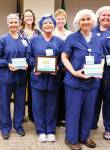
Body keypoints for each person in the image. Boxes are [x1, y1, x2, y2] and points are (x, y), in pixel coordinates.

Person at [61, 9, 104, 150]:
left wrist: (101, 68)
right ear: (78, 22)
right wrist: (73, 72)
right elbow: (64, 57)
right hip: (74, 83)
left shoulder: (98, 38)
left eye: (88, 19)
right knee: (74, 111)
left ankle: (84, 137)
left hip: (92, 83)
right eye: (82, 20)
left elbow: (102, 57)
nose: (85, 22)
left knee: (88, 111)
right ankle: (71, 139)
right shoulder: (72, 38)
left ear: (93, 21)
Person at [26, 14, 64, 142]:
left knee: (52, 105)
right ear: (41, 26)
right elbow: (29, 56)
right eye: (45, 23)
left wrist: (58, 67)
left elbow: (64, 58)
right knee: (38, 105)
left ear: (54, 26)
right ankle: (41, 130)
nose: (48, 25)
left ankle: (50, 130)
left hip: (53, 79)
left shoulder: (59, 41)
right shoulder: (34, 41)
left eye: (50, 23)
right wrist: (34, 66)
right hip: (38, 78)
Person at [0, 14, 28, 139]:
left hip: (21, 77)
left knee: (20, 103)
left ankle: (18, 126)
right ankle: (5, 128)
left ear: (19, 23)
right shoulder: (2, 39)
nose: (13, 25)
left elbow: (28, 55)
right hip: (5, 78)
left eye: (15, 22)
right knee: (4, 103)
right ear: (8, 24)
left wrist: (28, 63)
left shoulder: (24, 40)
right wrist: (7, 64)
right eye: (11, 22)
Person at [20, 9, 41, 122]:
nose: (29, 18)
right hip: (22, 66)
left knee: (33, 91)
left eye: (30, 16)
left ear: (33, 18)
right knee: (21, 91)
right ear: (23, 19)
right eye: (26, 16)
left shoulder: (38, 33)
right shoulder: (19, 32)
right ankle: (21, 114)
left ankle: (32, 114)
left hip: (34, 66)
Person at [92, 6, 110, 130]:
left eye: (109, 15)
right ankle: (92, 124)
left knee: (108, 99)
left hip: (108, 72)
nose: (106, 17)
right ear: (99, 17)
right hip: (92, 70)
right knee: (93, 98)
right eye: (104, 15)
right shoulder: (91, 30)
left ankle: (108, 127)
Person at [53, 9, 72, 127]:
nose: (60, 20)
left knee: (66, 93)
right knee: (56, 93)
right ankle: (57, 117)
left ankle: (64, 117)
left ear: (65, 20)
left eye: (62, 18)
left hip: (67, 69)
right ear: (55, 20)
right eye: (58, 18)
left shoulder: (70, 34)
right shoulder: (52, 33)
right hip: (54, 68)